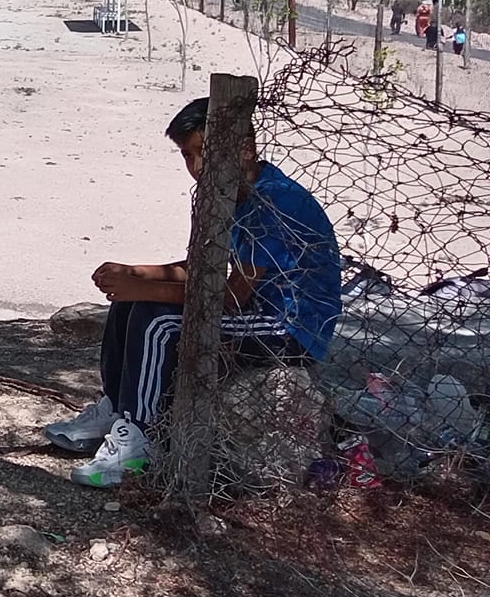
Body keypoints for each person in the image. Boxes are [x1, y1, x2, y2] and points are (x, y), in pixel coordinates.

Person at [45, 97, 342, 487]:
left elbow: (233, 296)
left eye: (204, 151)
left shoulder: (271, 199)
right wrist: (136, 275)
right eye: (188, 155)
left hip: (288, 325)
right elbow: (204, 268)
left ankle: (141, 440)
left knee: (159, 322)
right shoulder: (224, 193)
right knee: (132, 302)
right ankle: (116, 409)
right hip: (256, 309)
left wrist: (144, 288)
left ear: (245, 148)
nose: (196, 166)